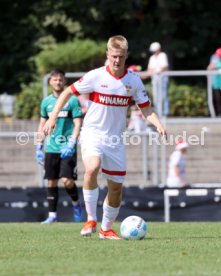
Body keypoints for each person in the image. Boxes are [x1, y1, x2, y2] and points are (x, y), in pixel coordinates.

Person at [43, 35, 167, 239]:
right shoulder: (96, 76)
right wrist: (52, 118)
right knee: (92, 168)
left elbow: (146, 109)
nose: (117, 60)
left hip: (116, 140)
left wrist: (159, 125)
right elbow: (67, 92)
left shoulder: (133, 81)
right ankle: (91, 219)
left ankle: (106, 228)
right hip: (93, 133)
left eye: (121, 56)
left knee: (116, 188)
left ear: (126, 55)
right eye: (113, 56)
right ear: (107, 54)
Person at [36, 68, 83, 224]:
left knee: (67, 181)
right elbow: (42, 124)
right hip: (51, 148)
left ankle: (76, 205)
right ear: (50, 82)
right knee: (51, 181)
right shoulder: (46, 102)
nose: (58, 81)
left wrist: (72, 142)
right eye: (55, 79)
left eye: (60, 79)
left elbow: (78, 123)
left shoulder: (73, 100)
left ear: (65, 81)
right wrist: (38, 147)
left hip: (67, 148)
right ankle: (52, 216)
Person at [142, 42, 169, 116]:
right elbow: (149, 69)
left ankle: (165, 113)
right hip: (154, 80)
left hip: (162, 79)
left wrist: (155, 71)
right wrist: (142, 76)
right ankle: (158, 112)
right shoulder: (152, 58)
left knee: (163, 96)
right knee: (156, 96)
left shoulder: (163, 55)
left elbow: (164, 67)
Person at [207, 48, 221, 116]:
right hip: (216, 83)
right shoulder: (215, 58)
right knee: (217, 98)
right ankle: (217, 113)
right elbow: (209, 68)